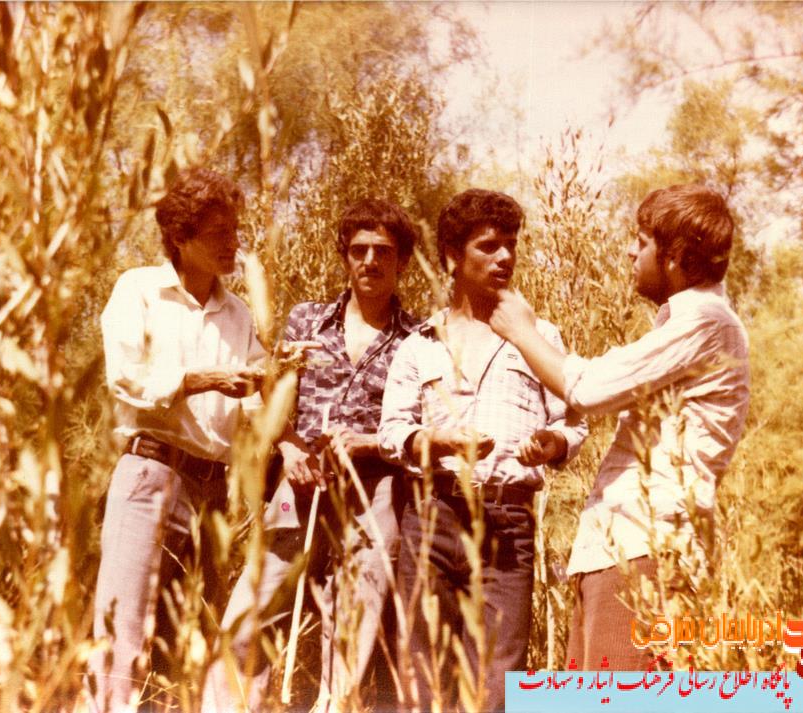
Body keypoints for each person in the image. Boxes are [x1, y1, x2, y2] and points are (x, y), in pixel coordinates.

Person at [488, 183, 750, 670]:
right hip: (621, 548)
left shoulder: (707, 320)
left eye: (642, 241)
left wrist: (522, 331)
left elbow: (588, 389)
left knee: (621, 696)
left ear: (676, 258)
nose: (631, 251)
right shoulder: (690, 322)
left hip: (647, 550)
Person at [203, 198, 420, 712]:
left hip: (375, 490)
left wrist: (369, 444)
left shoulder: (417, 338)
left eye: (383, 251)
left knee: (352, 623)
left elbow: (417, 425)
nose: (370, 261)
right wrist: (287, 447)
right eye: (359, 250)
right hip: (299, 483)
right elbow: (273, 396)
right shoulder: (307, 321)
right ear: (345, 256)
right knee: (254, 606)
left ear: (402, 260)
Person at [378, 188, 587, 712]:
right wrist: (436, 442)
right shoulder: (419, 343)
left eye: (511, 244)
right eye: (489, 246)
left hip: (506, 526)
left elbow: (573, 420)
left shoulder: (539, 336)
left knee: (495, 687)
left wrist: (552, 443)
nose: (505, 257)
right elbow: (392, 431)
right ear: (453, 256)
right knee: (422, 681)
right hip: (432, 516)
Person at [88, 167, 267, 713]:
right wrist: (200, 379)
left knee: (183, 639)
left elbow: (255, 399)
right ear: (181, 238)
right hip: (150, 475)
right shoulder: (140, 290)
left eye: (234, 231)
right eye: (218, 234)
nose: (232, 243)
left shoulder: (238, 313)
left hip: (211, 492)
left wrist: (281, 396)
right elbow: (124, 376)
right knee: (122, 635)